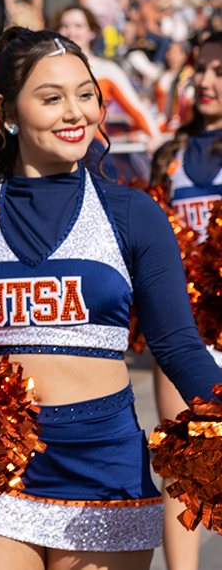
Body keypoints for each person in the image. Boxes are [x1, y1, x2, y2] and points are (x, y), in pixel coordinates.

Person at [0, 28, 222, 570]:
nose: (75, 112)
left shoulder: (133, 213)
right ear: (6, 110)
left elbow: (176, 344)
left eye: (86, 93)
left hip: (104, 461)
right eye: (51, 97)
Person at [149, 31, 222, 570]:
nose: (205, 80)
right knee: (181, 462)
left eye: (219, 70)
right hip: (183, 331)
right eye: (201, 68)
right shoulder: (169, 153)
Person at [53, 4, 162, 150]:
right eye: (64, 26)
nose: (71, 31)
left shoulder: (106, 70)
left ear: (91, 32)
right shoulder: (48, 71)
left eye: (78, 26)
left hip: (94, 154)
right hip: (56, 151)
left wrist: (156, 139)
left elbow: (137, 110)